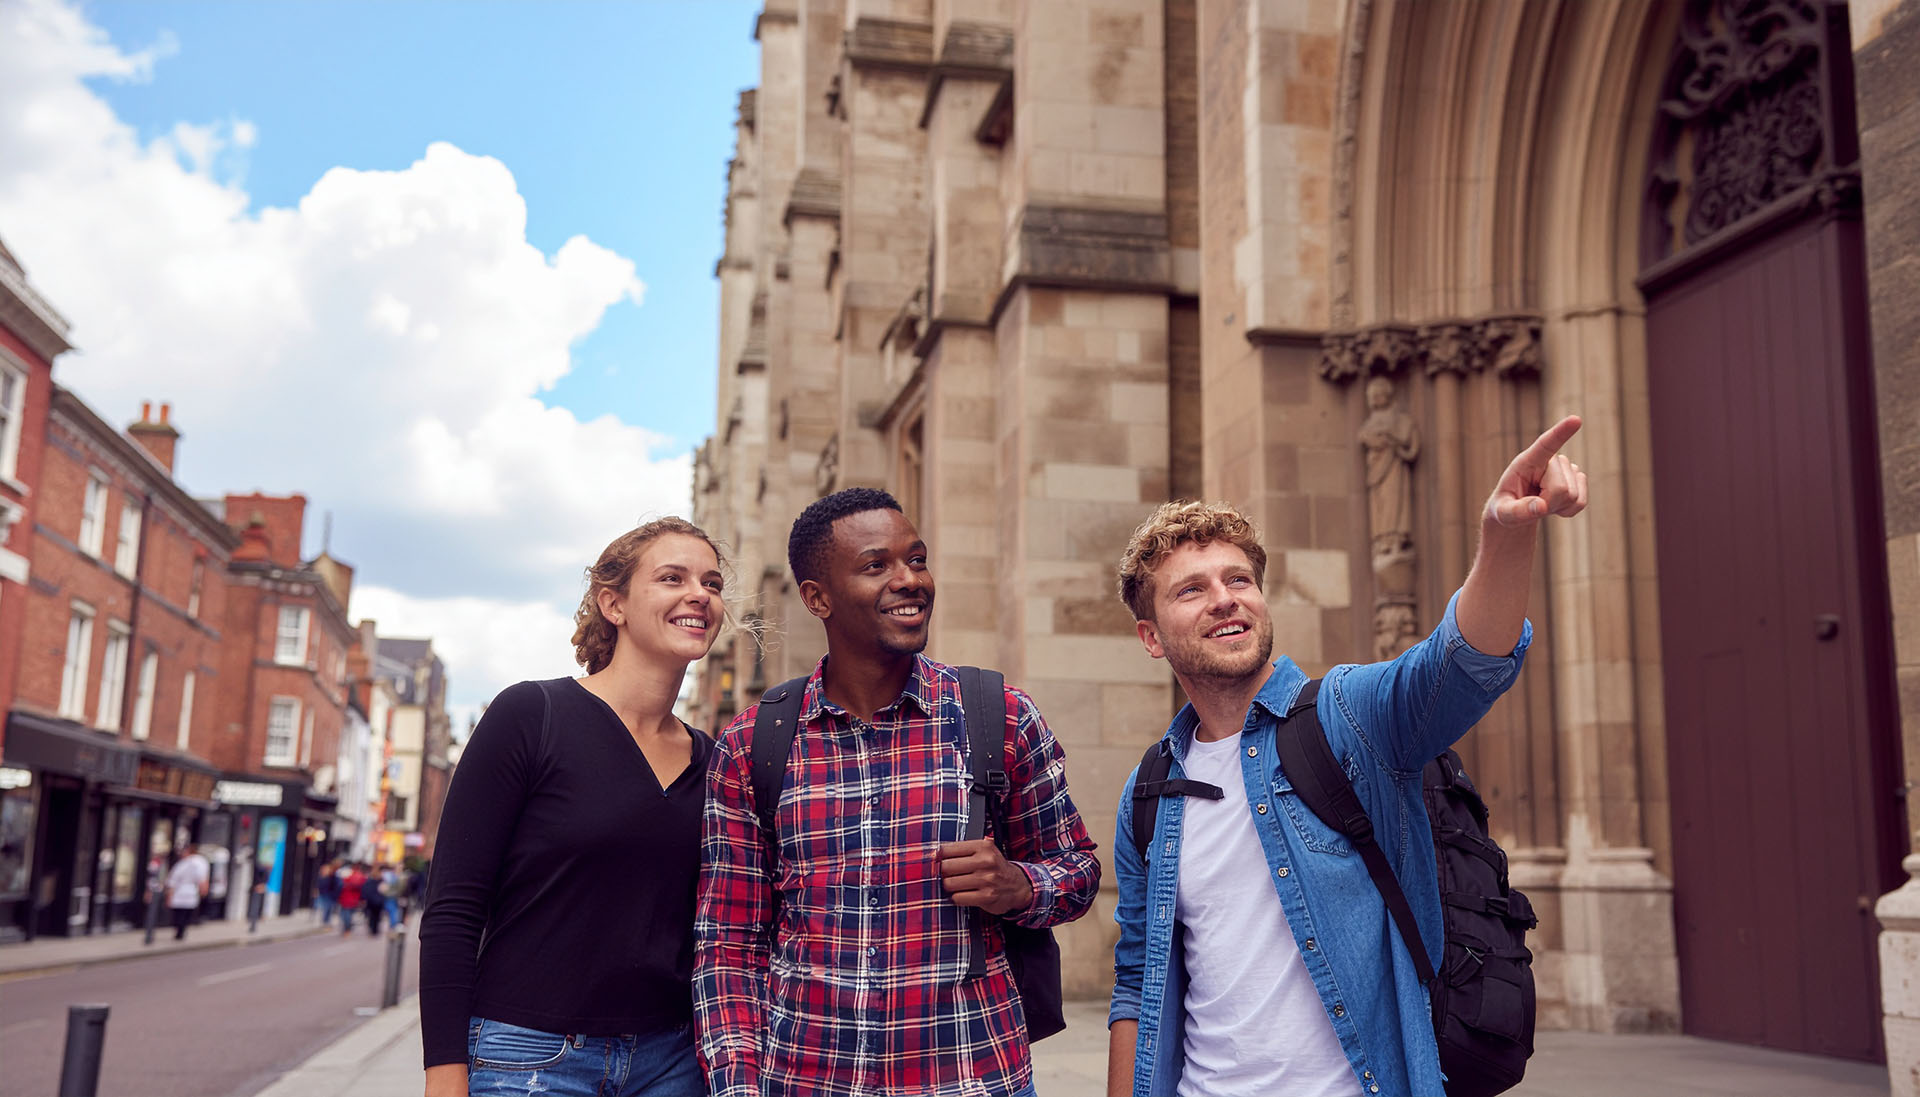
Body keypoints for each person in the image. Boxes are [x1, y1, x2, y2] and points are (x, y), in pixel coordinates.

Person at [1106, 417, 1589, 1097]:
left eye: (1239, 578)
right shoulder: (1151, 791)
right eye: (1192, 588)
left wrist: (1506, 537)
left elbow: (1459, 665)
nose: (1225, 598)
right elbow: (1139, 976)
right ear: (1151, 636)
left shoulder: (1347, 716)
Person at [694, 487, 1102, 1097]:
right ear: (816, 597)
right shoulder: (753, 744)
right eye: (876, 565)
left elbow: (1079, 872)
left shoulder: (999, 717)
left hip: (969, 1075)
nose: (910, 579)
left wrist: (1019, 886)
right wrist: (739, 1086)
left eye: (917, 559)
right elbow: (727, 941)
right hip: (806, 1079)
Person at [419, 517, 728, 1097]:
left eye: (711, 583)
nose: (699, 595)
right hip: (527, 1055)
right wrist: (444, 1074)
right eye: (672, 577)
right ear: (614, 604)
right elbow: (453, 909)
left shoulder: (714, 759)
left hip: (673, 1062)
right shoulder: (531, 716)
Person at [164, 843, 210, 941]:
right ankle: (181, 931)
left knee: (180, 914)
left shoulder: (183, 864)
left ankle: (179, 932)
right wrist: (203, 890)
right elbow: (202, 879)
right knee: (184, 914)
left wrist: (169, 895)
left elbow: (172, 881)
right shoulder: (199, 862)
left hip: (182, 892)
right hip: (190, 892)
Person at [337, 861, 365, 936]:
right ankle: (347, 928)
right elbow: (362, 888)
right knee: (348, 914)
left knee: (345, 914)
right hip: (354, 899)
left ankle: (347, 928)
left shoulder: (348, 876)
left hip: (345, 898)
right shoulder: (361, 876)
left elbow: (340, 886)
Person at [314, 859, 340, 926]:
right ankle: (325, 921)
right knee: (325, 908)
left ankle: (326, 921)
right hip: (323, 894)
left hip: (330, 894)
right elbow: (318, 885)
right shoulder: (321, 877)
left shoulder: (332, 877)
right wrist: (316, 891)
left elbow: (336, 885)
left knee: (328, 908)